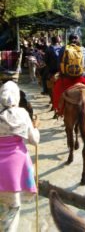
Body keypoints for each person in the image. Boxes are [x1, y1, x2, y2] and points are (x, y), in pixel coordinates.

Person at [0, 81, 40, 231]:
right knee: (12, 210)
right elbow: (34, 141)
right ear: (16, 96)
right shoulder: (23, 114)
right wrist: (35, 128)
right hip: (13, 172)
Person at [52, 33, 85, 116]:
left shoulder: (63, 49)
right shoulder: (84, 49)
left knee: (56, 91)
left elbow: (58, 64)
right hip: (82, 78)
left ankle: (58, 110)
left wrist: (61, 73)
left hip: (66, 78)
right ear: (78, 40)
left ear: (69, 40)